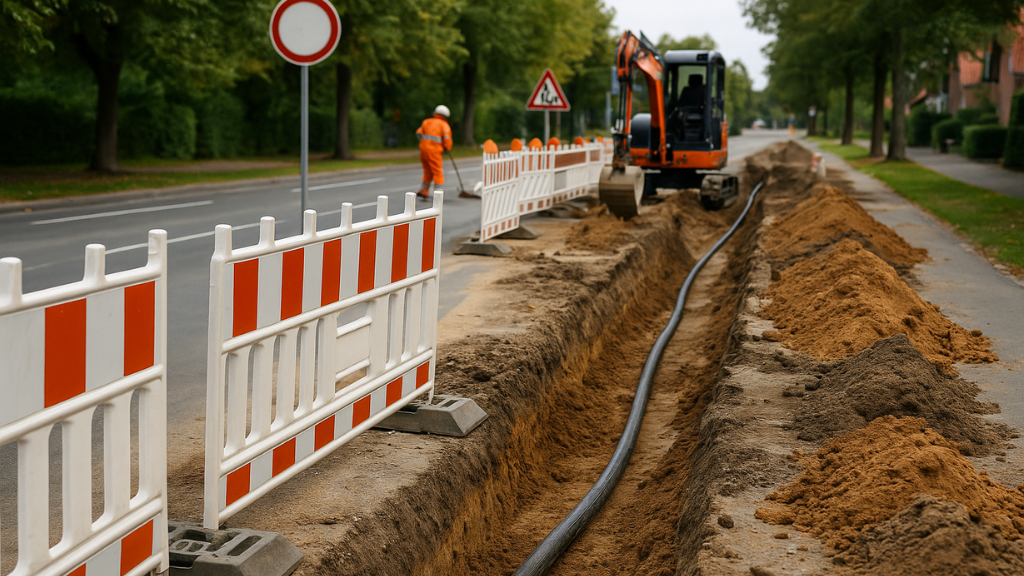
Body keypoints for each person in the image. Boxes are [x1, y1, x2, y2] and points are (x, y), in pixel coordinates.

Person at [416, 105, 453, 198]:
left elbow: (419, 133)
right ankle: (438, 193)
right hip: (434, 150)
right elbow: (447, 139)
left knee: (427, 170)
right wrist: (447, 148)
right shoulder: (444, 125)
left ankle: (424, 190)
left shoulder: (426, 121)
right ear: (445, 116)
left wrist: (425, 142)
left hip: (423, 150)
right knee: (437, 171)